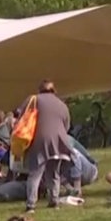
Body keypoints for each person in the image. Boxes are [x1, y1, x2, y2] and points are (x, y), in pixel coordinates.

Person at [20, 80, 72, 212]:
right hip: (60, 142)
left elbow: (21, 116)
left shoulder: (34, 100)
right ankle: (54, 201)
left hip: (40, 140)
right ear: (54, 91)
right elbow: (66, 126)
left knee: (35, 174)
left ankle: (31, 205)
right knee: (54, 173)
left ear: (40, 90)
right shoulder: (62, 104)